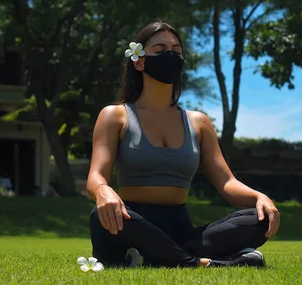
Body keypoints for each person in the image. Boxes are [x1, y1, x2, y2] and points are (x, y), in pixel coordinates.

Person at [86, 21, 280, 268]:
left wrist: (259, 197)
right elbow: (95, 176)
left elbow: (227, 183)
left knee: (259, 219)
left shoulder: (198, 122)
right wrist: (104, 191)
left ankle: (154, 258)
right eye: (160, 49)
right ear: (139, 61)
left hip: (181, 229)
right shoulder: (115, 116)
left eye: (176, 51)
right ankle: (208, 263)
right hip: (130, 221)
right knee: (98, 216)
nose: (170, 55)